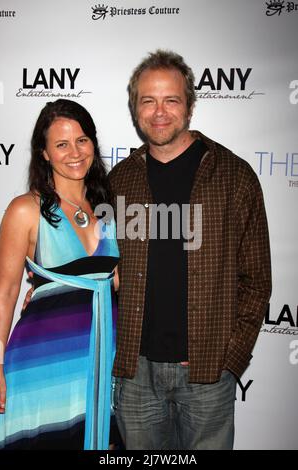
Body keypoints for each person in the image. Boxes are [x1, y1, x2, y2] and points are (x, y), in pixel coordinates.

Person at [109, 50, 272, 450]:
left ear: (190, 105)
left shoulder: (234, 176)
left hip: (207, 377)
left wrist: (230, 359)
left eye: (171, 100)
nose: (159, 112)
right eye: (148, 100)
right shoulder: (118, 180)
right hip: (135, 376)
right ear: (135, 108)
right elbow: (95, 263)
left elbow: (257, 280)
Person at [0, 99, 119, 450]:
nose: (75, 152)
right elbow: (4, 292)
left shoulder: (110, 208)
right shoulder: (25, 209)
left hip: (103, 358)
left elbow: (121, 283)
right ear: (45, 153)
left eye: (82, 140)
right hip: (42, 362)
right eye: (61, 144)